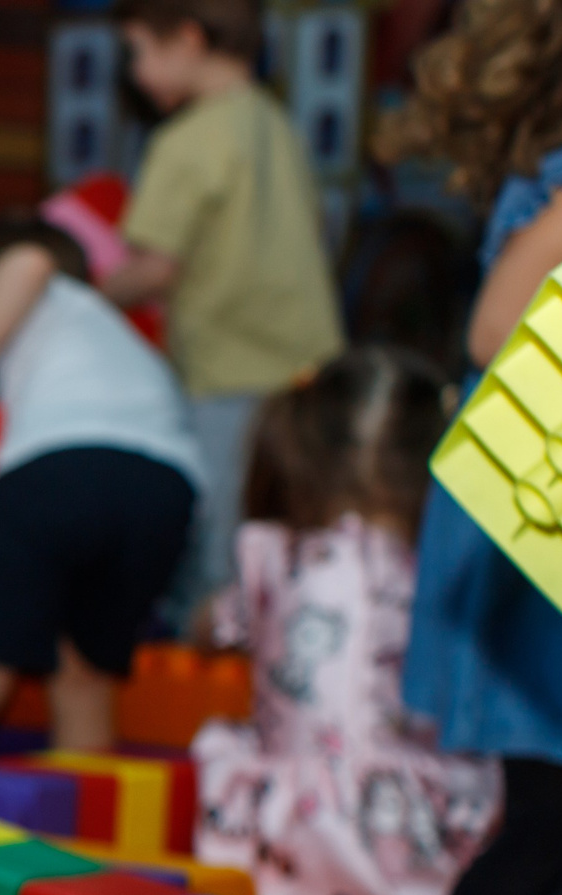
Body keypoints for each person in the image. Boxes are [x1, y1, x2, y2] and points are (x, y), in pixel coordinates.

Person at [192, 351, 562, 895]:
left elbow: (209, 627)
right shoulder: (447, 572)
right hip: (412, 834)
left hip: (293, 841)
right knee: (532, 861)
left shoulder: (277, 553)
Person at [364, 0, 562, 895]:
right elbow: (498, 325)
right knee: (556, 809)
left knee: (559, 807)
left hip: (555, 518)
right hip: (546, 514)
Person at [0, 214, 202, 777]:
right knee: (84, 677)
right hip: (165, 488)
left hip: (62, 466)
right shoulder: (105, 330)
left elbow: (28, 260)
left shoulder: (43, 287)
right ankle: (86, 851)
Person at [102, 0, 344, 621]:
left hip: (228, 380)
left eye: (140, 52)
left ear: (188, 38)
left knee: (221, 561)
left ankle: (214, 703)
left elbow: (156, 266)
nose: (135, 73)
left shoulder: (186, 139)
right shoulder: (274, 122)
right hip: (309, 373)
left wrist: (82, 296)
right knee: (292, 544)